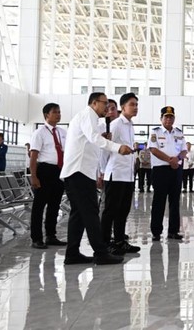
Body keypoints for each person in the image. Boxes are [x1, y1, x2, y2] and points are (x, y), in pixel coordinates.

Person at [60, 93, 133, 265]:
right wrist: (117, 147)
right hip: (78, 173)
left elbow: (92, 141)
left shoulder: (91, 118)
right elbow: (94, 138)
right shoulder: (87, 114)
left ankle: (72, 253)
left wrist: (103, 139)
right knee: (91, 212)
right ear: (94, 103)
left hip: (81, 172)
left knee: (78, 214)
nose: (107, 107)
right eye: (104, 103)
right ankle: (101, 253)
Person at [101, 93, 141, 255]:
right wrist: (103, 172)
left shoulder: (130, 126)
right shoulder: (116, 124)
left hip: (128, 175)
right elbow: (105, 149)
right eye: (132, 104)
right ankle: (104, 244)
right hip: (115, 174)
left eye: (137, 104)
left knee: (123, 210)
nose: (135, 107)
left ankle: (119, 241)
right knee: (110, 211)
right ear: (123, 107)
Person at [29, 103, 68, 249]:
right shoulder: (39, 133)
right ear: (46, 115)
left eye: (59, 112)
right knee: (39, 206)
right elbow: (33, 156)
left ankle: (51, 235)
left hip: (59, 171)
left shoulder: (62, 132)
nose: (58, 114)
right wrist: (33, 176)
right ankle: (36, 238)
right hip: (44, 171)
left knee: (54, 205)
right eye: (55, 112)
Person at [148, 106, 187, 241]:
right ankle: (156, 232)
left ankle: (173, 231)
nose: (168, 119)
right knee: (159, 201)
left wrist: (178, 159)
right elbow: (153, 150)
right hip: (160, 170)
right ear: (161, 119)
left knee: (175, 201)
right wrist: (170, 160)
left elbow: (184, 150)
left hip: (176, 170)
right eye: (166, 117)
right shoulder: (155, 132)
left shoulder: (179, 133)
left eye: (171, 117)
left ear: (174, 118)